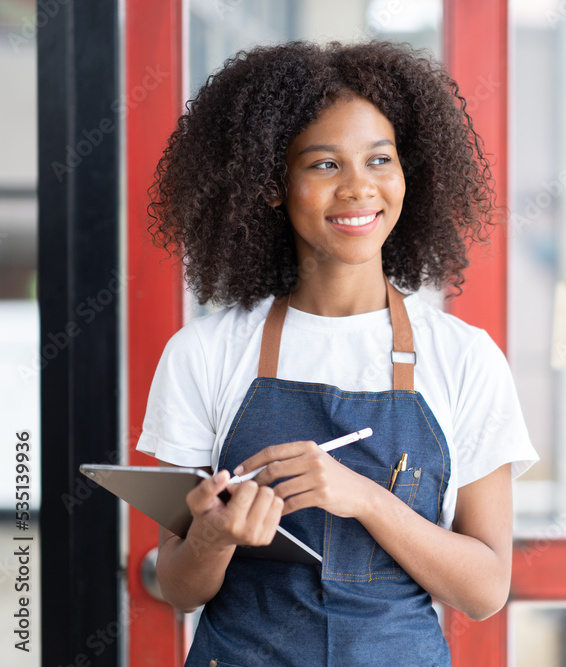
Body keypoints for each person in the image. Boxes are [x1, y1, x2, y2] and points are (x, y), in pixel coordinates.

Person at [137, 40, 537, 667]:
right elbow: (181, 587)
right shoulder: (204, 353)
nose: (359, 187)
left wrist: (365, 498)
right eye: (325, 165)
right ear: (272, 186)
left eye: (380, 159)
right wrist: (213, 538)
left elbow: (485, 590)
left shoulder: (465, 358)